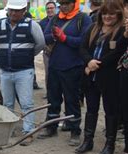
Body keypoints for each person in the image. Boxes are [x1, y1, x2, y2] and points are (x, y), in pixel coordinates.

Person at [0, 0, 45, 146]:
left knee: (26, 104)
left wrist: (25, 55)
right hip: (5, 72)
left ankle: (28, 132)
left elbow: (40, 45)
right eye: (11, 10)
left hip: (24, 72)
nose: (13, 13)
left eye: (17, 10)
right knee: (7, 104)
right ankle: (10, 130)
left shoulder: (32, 26)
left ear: (24, 10)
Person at [75, 1, 128, 154]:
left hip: (110, 78)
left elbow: (118, 52)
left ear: (118, 14)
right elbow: (82, 48)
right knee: (91, 110)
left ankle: (109, 144)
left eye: (111, 13)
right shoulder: (93, 28)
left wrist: (96, 64)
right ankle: (88, 141)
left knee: (110, 111)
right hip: (91, 78)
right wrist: (88, 61)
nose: (107, 17)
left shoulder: (122, 31)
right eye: (105, 13)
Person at [38, 0, 92, 146]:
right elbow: (44, 37)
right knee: (53, 99)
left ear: (74, 3)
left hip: (73, 67)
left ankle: (74, 130)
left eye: (67, 3)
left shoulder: (83, 19)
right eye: (61, 3)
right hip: (55, 66)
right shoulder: (56, 18)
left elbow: (84, 42)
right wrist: (55, 36)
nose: (64, 6)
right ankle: (51, 127)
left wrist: (65, 38)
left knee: (72, 100)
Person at [112, 0, 128, 154]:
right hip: (127, 71)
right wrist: (126, 35)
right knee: (127, 114)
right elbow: (118, 50)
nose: (127, 9)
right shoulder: (127, 25)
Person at [39, 1, 57, 91]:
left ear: (55, 9)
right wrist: (45, 48)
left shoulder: (60, 20)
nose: (50, 10)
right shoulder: (42, 23)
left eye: (51, 8)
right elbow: (39, 37)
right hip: (47, 52)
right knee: (48, 73)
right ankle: (49, 92)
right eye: (48, 8)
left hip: (59, 51)